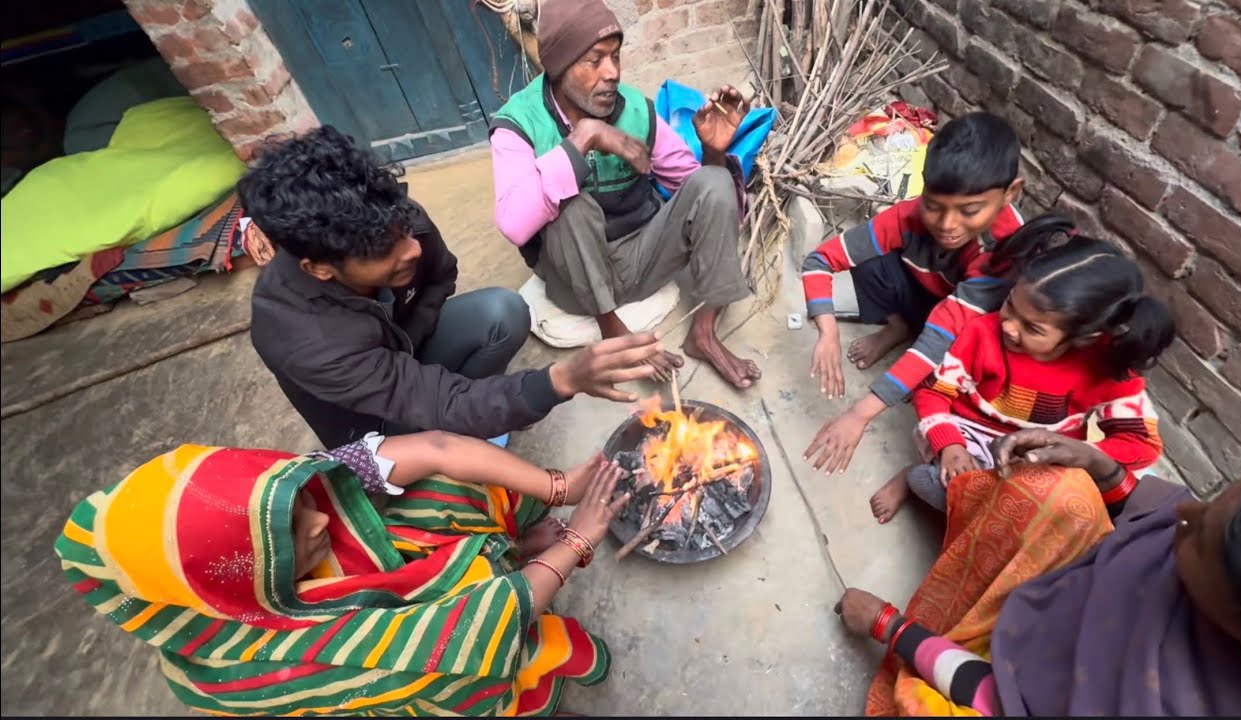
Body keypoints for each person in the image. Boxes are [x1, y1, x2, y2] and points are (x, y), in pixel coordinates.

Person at [55, 430, 634, 716]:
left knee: (446, 486)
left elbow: (434, 448)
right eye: (286, 538)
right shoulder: (251, 662)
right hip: (395, 674)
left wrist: (559, 488)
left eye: (298, 502)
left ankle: (509, 556)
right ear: (235, 583)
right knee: (453, 673)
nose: (315, 523)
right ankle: (525, 668)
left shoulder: (273, 496)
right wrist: (578, 540)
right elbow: (455, 637)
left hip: (379, 583)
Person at [242, 126, 665, 449]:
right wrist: (560, 380)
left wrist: (416, 347)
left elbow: (442, 276)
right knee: (443, 437)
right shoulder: (298, 334)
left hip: (405, 352)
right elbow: (422, 395)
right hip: (373, 421)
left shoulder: (387, 216)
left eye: (404, 229)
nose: (411, 249)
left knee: (504, 312)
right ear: (319, 269)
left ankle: (478, 411)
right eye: (383, 249)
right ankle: (457, 434)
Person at [835, 429, 1241, 716]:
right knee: (1059, 489)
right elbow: (1155, 518)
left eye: (1198, 535)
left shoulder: (1155, 698)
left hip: (1007, 691)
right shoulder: (1212, 560)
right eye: (1211, 499)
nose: (1184, 510)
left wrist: (890, 625)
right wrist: (1097, 464)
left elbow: (999, 700)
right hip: (1053, 613)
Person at [489, 0, 761, 389]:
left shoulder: (636, 109)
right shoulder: (518, 124)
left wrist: (714, 151)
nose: (612, 73)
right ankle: (614, 331)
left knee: (715, 181)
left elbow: (703, 200)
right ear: (558, 66)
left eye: (615, 57)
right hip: (575, 283)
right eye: (595, 60)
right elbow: (514, 225)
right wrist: (584, 138)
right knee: (569, 204)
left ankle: (703, 333)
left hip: (643, 260)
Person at [870, 216, 1174, 523]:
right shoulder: (981, 334)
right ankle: (913, 478)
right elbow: (933, 393)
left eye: (1033, 328)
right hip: (971, 437)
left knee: (1073, 513)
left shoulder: (1110, 367)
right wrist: (951, 447)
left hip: (1039, 458)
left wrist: (1077, 452)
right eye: (1010, 305)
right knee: (957, 492)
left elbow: (1141, 445)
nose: (1009, 327)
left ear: (1086, 336)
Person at [803, 112, 1026, 475]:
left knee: (945, 357)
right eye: (934, 206)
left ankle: (925, 365)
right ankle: (898, 328)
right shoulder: (910, 215)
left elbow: (938, 338)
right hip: (933, 292)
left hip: (968, 322)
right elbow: (819, 260)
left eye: (969, 211)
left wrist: (859, 414)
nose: (947, 225)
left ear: (1010, 193)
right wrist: (827, 331)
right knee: (869, 256)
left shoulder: (1002, 252)